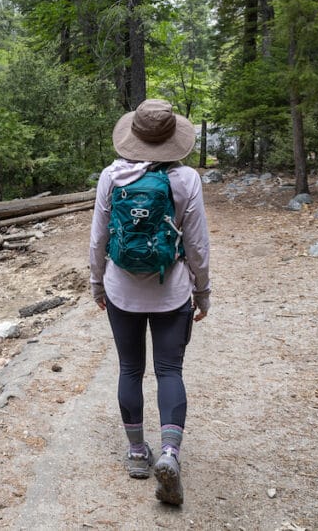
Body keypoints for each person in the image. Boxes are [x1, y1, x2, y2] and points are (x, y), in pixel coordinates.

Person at [88, 98, 211, 506]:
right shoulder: (187, 179)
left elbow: (98, 238)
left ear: (134, 136)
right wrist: (202, 289)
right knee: (170, 370)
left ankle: (138, 453)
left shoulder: (112, 175)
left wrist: (96, 283)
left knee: (130, 369)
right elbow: (196, 244)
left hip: (122, 290)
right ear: (173, 139)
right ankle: (171, 454)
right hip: (171, 290)